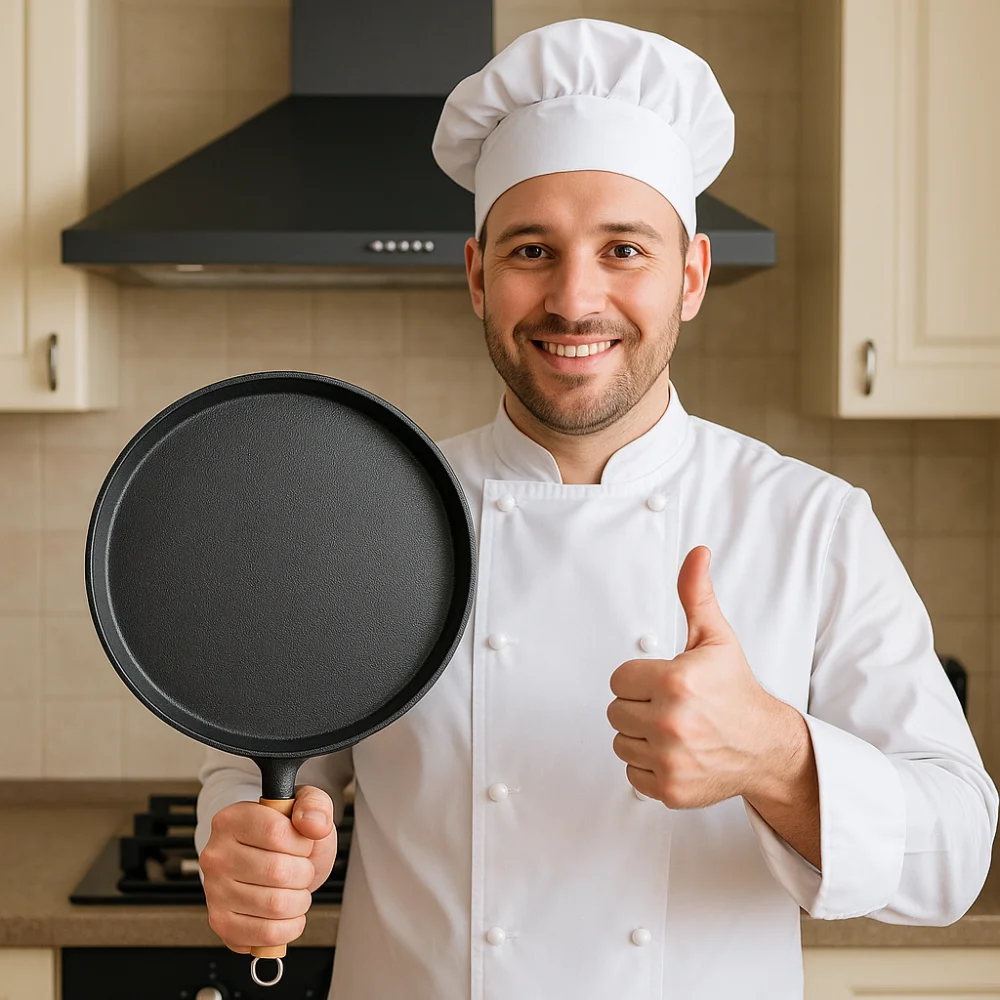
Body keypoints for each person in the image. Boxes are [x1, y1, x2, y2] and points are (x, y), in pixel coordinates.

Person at [195, 18, 998, 1000]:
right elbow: (261, 770)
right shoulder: (372, 515)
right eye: (533, 250)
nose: (575, 300)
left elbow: (953, 856)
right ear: (478, 275)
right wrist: (244, 847)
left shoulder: (812, 524)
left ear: (691, 275)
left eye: (624, 249)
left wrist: (776, 756)